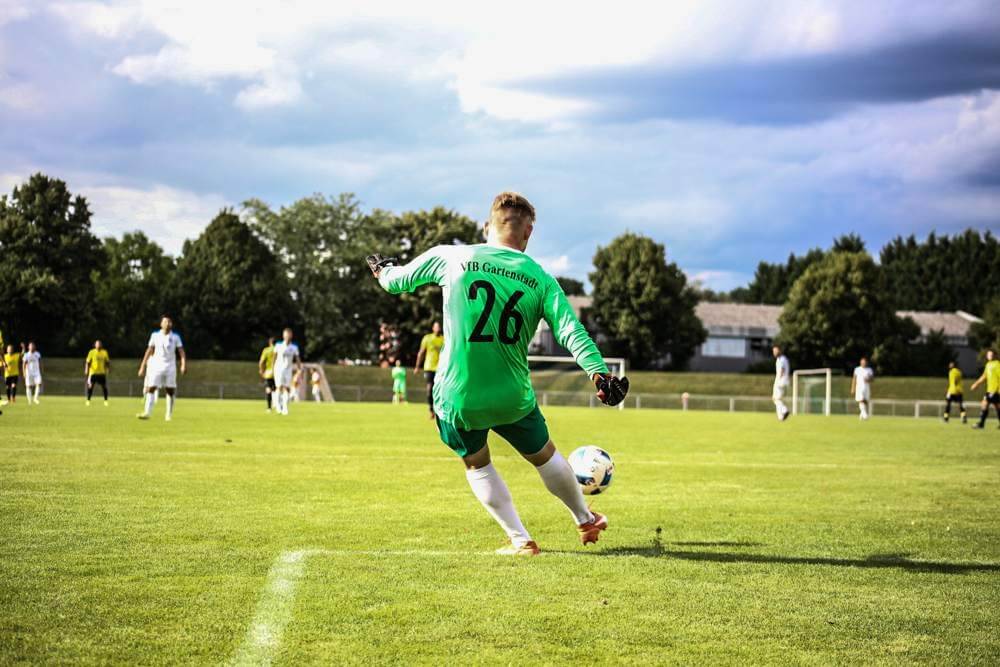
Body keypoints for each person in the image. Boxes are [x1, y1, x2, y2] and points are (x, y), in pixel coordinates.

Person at [368, 191, 629, 556]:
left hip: (459, 395)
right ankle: (585, 518)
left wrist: (384, 270)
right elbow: (571, 331)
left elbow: (397, 283)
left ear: (486, 227)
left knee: (476, 463)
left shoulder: (452, 256)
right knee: (545, 456)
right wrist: (600, 374)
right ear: (528, 233)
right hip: (512, 395)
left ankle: (522, 541)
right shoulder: (539, 278)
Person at [136, 316, 186, 421]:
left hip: (170, 367)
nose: (167, 323)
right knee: (151, 387)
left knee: (170, 390)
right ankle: (147, 412)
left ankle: (168, 415)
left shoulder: (175, 337)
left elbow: (181, 352)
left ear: (171, 324)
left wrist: (183, 364)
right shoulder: (155, 336)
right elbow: (149, 351)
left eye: (169, 321)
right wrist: (142, 366)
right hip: (157, 366)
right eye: (165, 321)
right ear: (161, 324)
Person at [414, 321, 445, 419]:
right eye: (436, 326)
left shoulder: (444, 339)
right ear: (433, 328)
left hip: (441, 368)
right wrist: (417, 366)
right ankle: (431, 409)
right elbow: (421, 352)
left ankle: (439, 410)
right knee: (430, 388)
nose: (438, 328)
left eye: (439, 326)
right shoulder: (427, 338)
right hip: (429, 367)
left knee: (441, 390)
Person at [272, 328, 302, 416]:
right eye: (286, 335)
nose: (287, 336)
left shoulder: (294, 347)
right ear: (283, 335)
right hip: (278, 369)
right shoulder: (278, 345)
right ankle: (278, 405)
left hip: (288, 370)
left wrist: (299, 369)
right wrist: (273, 369)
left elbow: (297, 359)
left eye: (289, 334)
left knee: (287, 388)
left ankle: (285, 407)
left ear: (291, 335)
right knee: (279, 387)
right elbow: (274, 358)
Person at [970, 349, 1000, 430]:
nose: (990, 356)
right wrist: (976, 384)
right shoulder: (988, 364)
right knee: (997, 407)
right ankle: (981, 424)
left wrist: (997, 389)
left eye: (991, 354)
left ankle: (981, 424)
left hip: (994, 390)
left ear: (995, 355)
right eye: (988, 354)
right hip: (990, 390)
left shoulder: (997, 364)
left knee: (984, 403)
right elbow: (984, 376)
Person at [85, 340, 111, 406]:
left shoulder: (104, 352)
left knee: (104, 387)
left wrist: (108, 369)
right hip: (93, 372)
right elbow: (88, 362)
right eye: (97, 344)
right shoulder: (92, 352)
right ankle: (88, 400)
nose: (98, 345)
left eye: (99, 344)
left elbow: (107, 362)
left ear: (101, 345)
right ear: (95, 345)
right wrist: (86, 369)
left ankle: (106, 401)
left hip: (101, 373)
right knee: (90, 386)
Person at [258, 337, 277, 413]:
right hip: (277, 372)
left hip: (269, 372)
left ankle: (269, 408)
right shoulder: (278, 349)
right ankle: (277, 404)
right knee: (276, 389)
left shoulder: (266, 350)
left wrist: (261, 370)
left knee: (268, 389)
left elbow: (261, 362)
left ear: (270, 343)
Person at [772, 345, 790, 421]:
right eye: (773, 351)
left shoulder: (782, 359)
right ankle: (781, 417)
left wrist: (779, 380)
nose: (774, 352)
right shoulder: (781, 359)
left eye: (776, 350)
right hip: (783, 381)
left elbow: (782, 370)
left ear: (780, 350)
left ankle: (784, 410)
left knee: (776, 399)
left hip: (780, 381)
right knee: (776, 399)